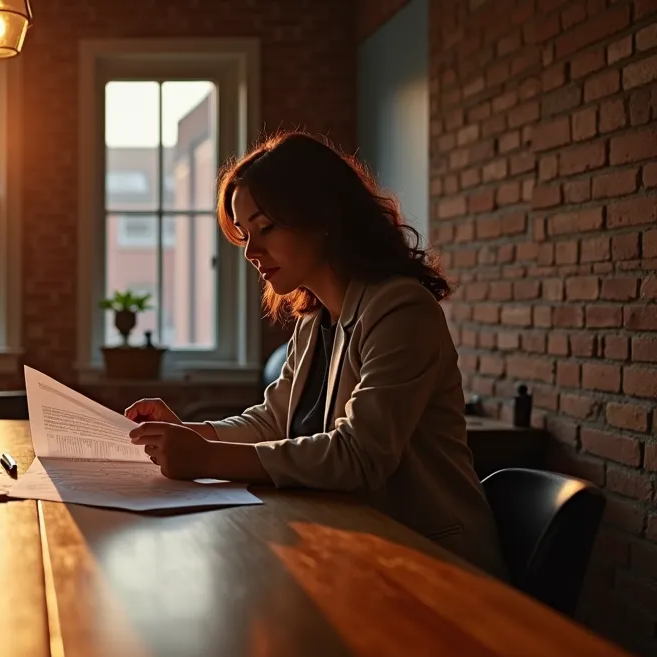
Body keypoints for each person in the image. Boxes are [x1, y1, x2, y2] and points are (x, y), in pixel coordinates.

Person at [124, 131, 507, 580]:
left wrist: (206, 458)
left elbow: (359, 456)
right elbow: (272, 421)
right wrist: (188, 433)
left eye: (265, 228)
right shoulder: (315, 320)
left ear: (323, 216)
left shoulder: (401, 309)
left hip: (432, 567)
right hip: (351, 554)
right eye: (245, 234)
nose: (251, 251)